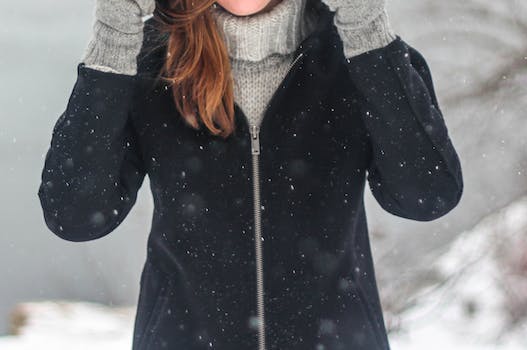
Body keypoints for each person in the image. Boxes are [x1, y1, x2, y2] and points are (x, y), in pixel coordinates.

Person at [36, 0, 464, 348]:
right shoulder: (150, 64)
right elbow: (74, 215)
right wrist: (116, 28)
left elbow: (427, 196)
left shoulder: (362, 57)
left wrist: (364, 21)